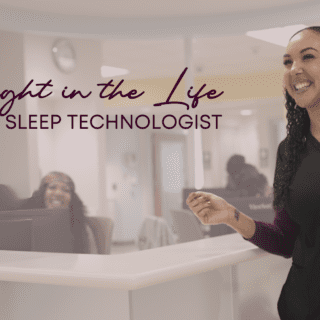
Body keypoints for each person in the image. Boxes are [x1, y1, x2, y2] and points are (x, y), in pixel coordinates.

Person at [187, 26, 320, 320]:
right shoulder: (291, 151)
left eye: (307, 57)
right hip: (303, 307)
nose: (294, 69)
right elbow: (285, 240)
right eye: (287, 62)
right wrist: (230, 215)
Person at [21, 171, 90, 254]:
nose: (59, 193)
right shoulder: (26, 220)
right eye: (52, 187)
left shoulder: (81, 226)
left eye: (66, 190)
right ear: (42, 193)